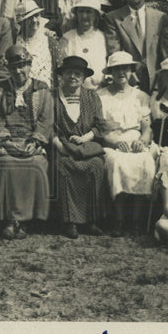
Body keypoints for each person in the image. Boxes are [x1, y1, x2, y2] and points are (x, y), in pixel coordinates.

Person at [0, 45, 52, 240]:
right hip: (7, 141)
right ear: (8, 69)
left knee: (36, 163)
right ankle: (9, 220)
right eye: (14, 67)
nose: (18, 71)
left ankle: (26, 220)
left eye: (22, 66)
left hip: (31, 140)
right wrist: (6, 141)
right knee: (5, 163)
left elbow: (46, 120)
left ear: (30, 65)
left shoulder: (42, 89)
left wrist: (35, 140)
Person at [96, 51, 155, 236]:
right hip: (111, 141)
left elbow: (147, 127)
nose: (121, 72)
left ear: (131, 71)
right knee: (116, 162)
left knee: (145, 160)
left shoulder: (141, 96)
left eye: (125, 68)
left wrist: (142, 141)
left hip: (136, 140)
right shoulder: (101, 96)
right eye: (116, 69)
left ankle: (137, 219)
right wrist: (114, 143)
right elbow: (99, 129)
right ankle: (118, 218)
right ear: (110, 73)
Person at [50, 55, 108, 239]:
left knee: (96, 166)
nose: (73, 77)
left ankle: (92, 220)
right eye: (69, 73)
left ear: (83, 78)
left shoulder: (92, 96)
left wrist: (86, 138)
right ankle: (69, 222)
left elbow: (100, 126)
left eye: (77, 73)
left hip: (86, 145)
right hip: (62, 146)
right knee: (63, 166)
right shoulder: (52, 96)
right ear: (62, 76)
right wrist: (58, 144)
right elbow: (46, 126)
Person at [103, 0, 166, 92]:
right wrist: (130, 76)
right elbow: (115, 51)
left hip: (158, 82)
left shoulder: (161, 18)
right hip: (128, 81)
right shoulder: (113, 18)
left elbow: (164, 52)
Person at [58, 0, 108, 89]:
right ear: (76, 14)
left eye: (88, 12)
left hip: (101, 92)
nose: (84, 16)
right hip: (73, 93)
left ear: (96, 15)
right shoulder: (67, 38)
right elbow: (60, 69)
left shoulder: (103, 38)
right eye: (81, 11)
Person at [13, 0, 57, 89]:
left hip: (46, 94)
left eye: (36, 16)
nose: (34, 20)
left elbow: (61, 70)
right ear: (21, 22)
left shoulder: (49, 41)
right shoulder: (14, 42)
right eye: (29, 18)